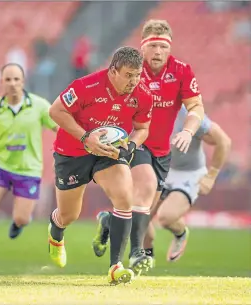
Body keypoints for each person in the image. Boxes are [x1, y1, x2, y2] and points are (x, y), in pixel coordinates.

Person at [92, 19, 205, 275]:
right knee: (144, 185)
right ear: (142, 47)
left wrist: (188, 130)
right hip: (134, 143)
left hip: (163, 153)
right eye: (153, 45)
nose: (158, 52)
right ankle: (135, 254)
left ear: (170, 48)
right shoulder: (132, 71)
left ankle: (108, 221)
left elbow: (196, 106)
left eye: (163, 46)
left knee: (143, 218)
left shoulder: (182, 71)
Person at [48, 46, 153, 285]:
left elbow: (142, 128)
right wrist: (86, 137)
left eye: (138, 75)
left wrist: (132, 146)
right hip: (73, 151)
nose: (134, 81)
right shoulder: (85, 86)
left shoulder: (142, 94)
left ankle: (116, 266)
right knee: (69, 214)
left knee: (124, 198)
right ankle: (56, 232)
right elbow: (55, 111)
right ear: (113, 71)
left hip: (109, 151)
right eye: (129, 75)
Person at [0, 63, 57, 263]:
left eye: (16, 79)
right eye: (8, 79)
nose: (13, 83)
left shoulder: (39, 105)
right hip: (1, 167)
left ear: (23, 81)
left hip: (29, 170)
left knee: (22, 219)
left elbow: (59, 125)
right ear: (1, 82)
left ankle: (19, 223)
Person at [143, 105, 231, 262]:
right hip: (163, 168)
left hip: (189, 174)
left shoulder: (189, 114)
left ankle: (180, 233)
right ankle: (145, 257)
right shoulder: (146, 108)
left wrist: (211, 176)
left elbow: (223, 141)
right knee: (140, 216)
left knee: (166, 217)